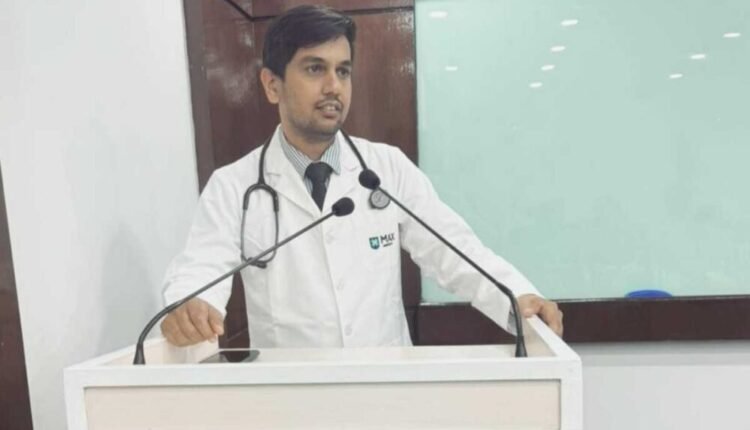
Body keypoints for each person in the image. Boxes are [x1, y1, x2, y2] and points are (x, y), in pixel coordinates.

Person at [160, 5, 563, 347]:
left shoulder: (386, 169)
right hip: (291, 396)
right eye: (315, 69)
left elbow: (454, 249)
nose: (333, 87)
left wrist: (516, 297)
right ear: (272, 85)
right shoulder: (234, 186)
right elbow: (201, 267)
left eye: (343, 71)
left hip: (384, 390)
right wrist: (186, 305)